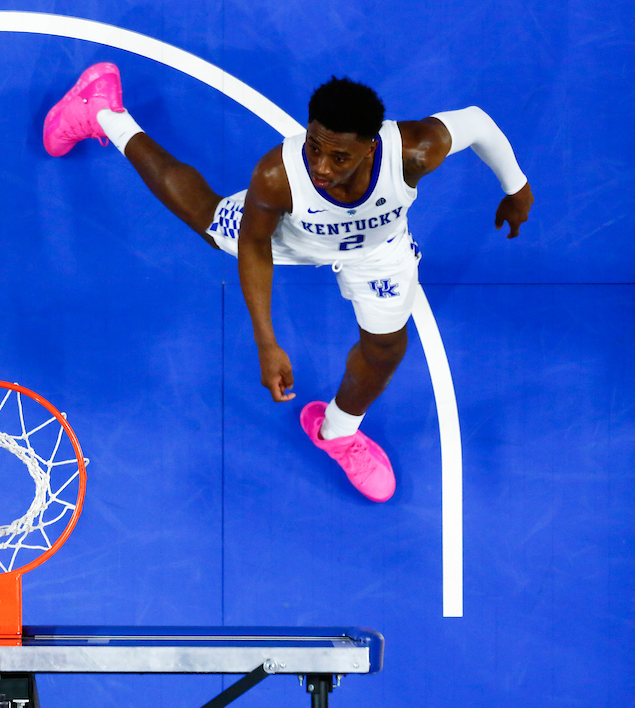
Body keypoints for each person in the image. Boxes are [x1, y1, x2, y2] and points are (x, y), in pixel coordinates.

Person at [43, 63, 532, 502]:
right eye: (314, 146)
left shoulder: (415, 150)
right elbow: (255, 245)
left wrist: (516, 186)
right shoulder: (279, 174)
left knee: (386, 348)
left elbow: (477, 123)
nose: (321, 166)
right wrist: (267, 341)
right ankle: (103, 112)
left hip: (376, 249)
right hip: (288, 237)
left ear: (371, 146)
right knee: (210, 221)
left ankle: (338, 433)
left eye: (339, 158)